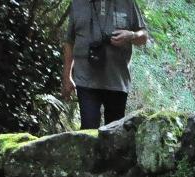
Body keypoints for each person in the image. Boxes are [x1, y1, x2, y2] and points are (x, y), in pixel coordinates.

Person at [63, 0, 150, 130]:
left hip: (117, 81)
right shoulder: (78, 3)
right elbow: (69, 41)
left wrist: (131, 35)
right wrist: (67, 76)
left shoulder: (127, 3)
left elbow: (144, 36)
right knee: (88, 130)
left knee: (114, 134)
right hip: (86, 80)